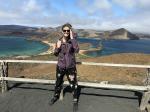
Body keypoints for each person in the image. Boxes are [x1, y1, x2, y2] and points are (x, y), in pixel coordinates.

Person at [49, 23, 79, 105]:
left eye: (68, 30)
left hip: (71, 67)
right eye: (64, 30)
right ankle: (55, 96)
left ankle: (75, 99)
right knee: (58, 83)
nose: (66, 32)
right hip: (60, 66)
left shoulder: (73, 41)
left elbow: (77, 50)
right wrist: (58, 47)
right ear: (62, 31)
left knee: (73, 83)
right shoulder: (59, 41)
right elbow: (55, 54)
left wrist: (72, 39)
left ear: (70, 31)